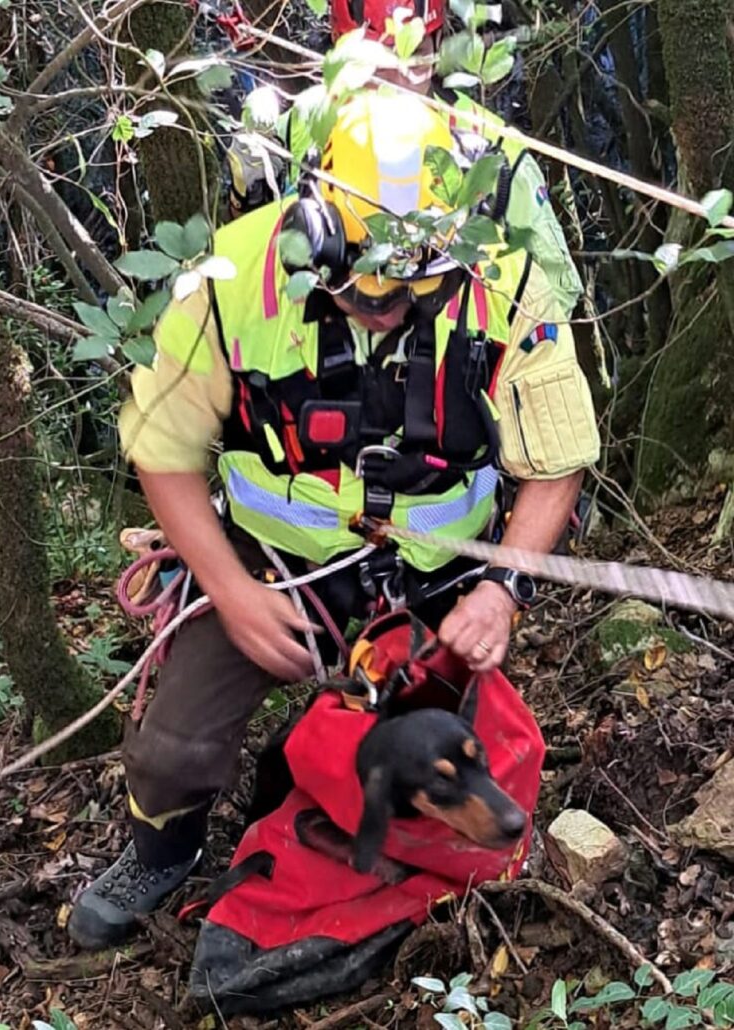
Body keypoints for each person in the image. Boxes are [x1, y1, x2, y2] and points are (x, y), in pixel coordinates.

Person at [68, 91, 600, 951]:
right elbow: (162, 451)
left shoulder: (510, 280)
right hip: (274, 563)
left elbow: (557, 461)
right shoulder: (234, 279)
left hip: (442, 572)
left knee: (456, 744)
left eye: (410, 289)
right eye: (366, 289)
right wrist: (229, 589)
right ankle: (160, 853)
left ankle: (355, 824)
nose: (387, 310)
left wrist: (501, 590)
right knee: (172, 749)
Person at [227, 0, 583, 316]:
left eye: (413, 56)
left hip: (456, 367)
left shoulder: (497, 155)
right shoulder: (302, 128)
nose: (393, 81)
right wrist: (249, 195)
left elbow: (558, 296)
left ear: (438, 47)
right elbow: (257, 267)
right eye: (372, 59)